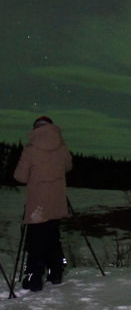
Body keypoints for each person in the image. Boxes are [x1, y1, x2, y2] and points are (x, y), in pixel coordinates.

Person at [13, 116, 72, 292]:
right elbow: (68, 167)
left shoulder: (30, 150)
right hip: (57, 202)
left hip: (37, 206)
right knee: (53, 238)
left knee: (35, 241)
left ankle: (34, 278)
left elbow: (20, 177)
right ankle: (56, 273)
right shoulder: (62, 147)